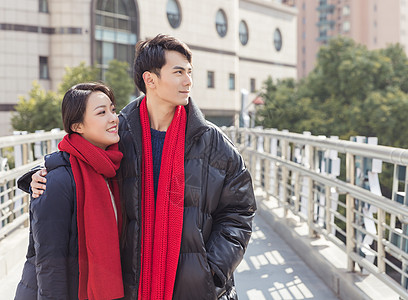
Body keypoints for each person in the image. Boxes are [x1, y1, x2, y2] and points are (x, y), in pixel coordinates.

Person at [28, 34, 256, 300]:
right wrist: (38, 174)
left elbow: (240, 210)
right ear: (150, 79)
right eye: (178, 72)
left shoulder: (212, 141)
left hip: (194, 288)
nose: (188, 81)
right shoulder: (119, 133)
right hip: (130, 284)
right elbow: (78, 156)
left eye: (189, 72)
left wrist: (213, 270)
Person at [15, 83, 124, 300]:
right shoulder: (54, 182)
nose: (113, 118)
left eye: (113, 109)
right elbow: (49, 265)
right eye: (101, 112)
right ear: (77, 126)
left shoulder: (113, 168)